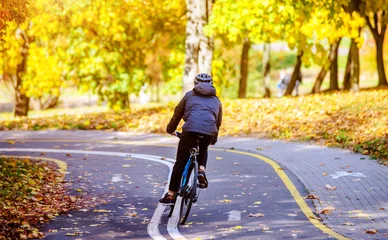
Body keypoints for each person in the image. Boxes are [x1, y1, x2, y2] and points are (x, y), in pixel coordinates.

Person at [159, 73, 223, 205]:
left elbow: (177, 113)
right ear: (211, 84)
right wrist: (213, 139)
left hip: (190, 131)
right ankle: (201, 170)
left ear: (195, 84)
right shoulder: (216, 100)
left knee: (180, 162)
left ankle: (171, 195)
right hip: (209, 131)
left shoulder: (189, 96)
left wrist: (170, 129)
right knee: (203, 147)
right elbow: (217, 122)